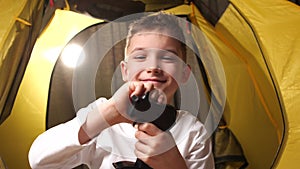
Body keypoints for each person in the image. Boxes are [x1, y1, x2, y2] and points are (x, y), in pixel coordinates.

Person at [28, 12, 214, 169]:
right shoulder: (102, 113)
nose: (153, 67)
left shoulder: (192, 132)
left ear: (184, 74)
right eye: (140, 56)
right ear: (125, 71)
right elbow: (38, 160)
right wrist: (109, 113)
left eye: (168, 57)